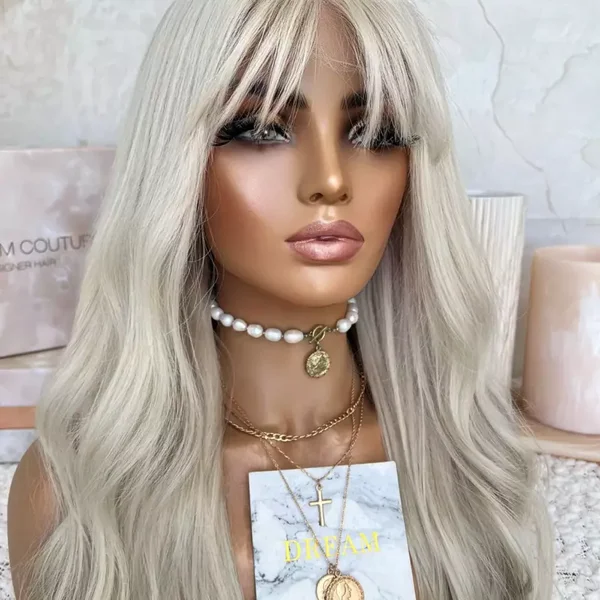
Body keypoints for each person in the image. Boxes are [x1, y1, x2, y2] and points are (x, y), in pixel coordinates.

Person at [7, 0, 555, 598]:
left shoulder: (466, 468)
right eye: (261, 129)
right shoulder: (79, 500)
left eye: (374, 133)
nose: (330, 181)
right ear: (177, 164)